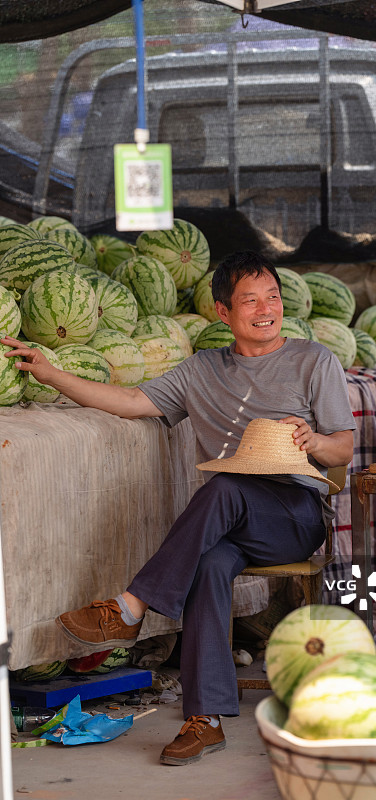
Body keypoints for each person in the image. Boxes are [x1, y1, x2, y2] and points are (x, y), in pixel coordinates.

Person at [2, 250, 355, 765]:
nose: (266, 309)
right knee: (209, 561)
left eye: (273, 297)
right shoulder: (201, 370)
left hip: (294, 513)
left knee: (221, 488)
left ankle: (130, 608)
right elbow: (129, 401)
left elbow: (344, 448)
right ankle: (204, 719)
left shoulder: (313, 360)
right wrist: (52, 375)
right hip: (228, 518)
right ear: (222, 312)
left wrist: (314, 440)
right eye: (250, 300)